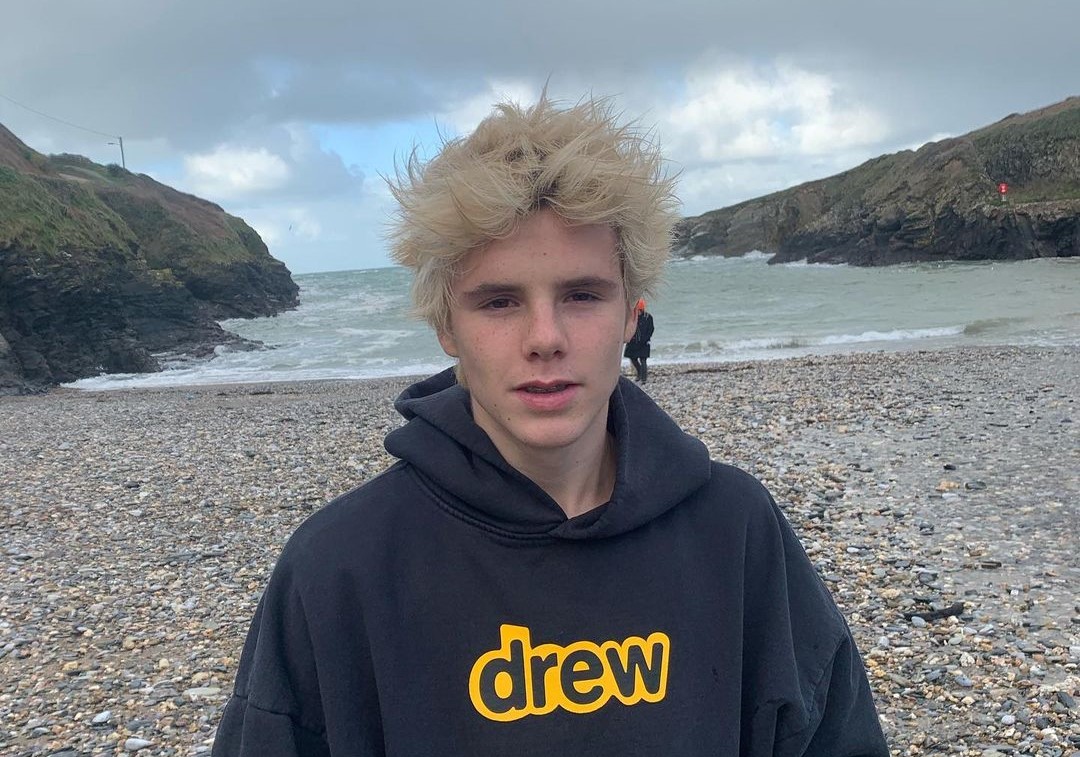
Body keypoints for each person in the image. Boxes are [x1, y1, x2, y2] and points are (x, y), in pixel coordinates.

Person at [212, 95, 888, 757]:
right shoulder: (339, 567)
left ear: (631, 317)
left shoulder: (735, 530)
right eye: (499, 302)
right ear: (447, 326)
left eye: (582, 295)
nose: (545, 337)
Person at [624, 298, 654, 382]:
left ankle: (644, 378)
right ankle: (639, 372)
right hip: (633, 341)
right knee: (632, 358)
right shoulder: (631, 317)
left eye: (639, 309)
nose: (637, 311)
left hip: (644, 342)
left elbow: (651, 329)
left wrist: (646, 338)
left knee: (643, 360)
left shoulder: (648, 317)